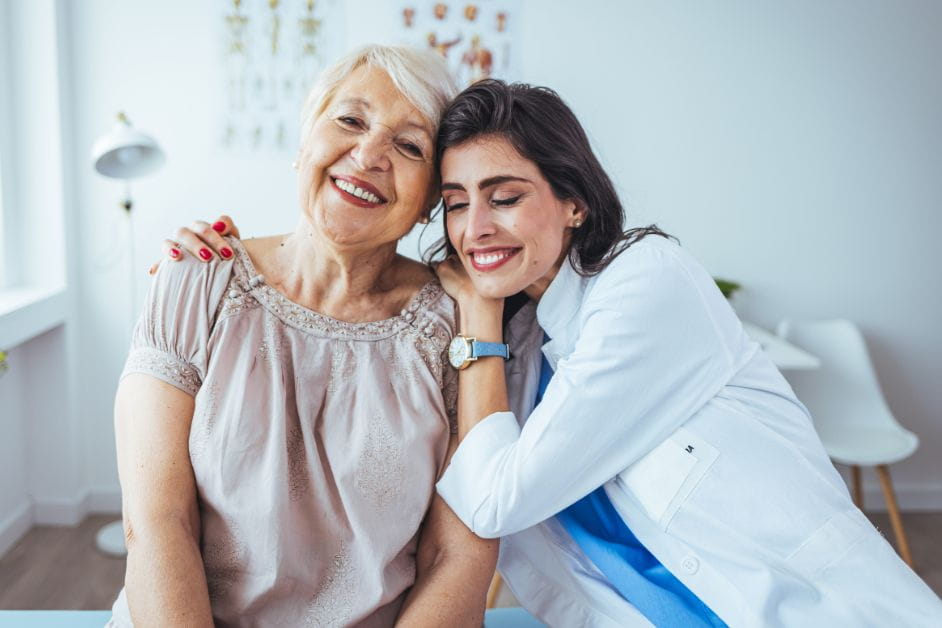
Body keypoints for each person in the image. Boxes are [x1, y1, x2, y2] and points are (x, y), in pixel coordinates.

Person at [171, 80, 942, 626]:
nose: (475, 227)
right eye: (457, 203)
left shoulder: (645, 283)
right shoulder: (519, 340)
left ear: (573, 201)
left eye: (504, 196)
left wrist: (475, 316)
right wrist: (231, 254)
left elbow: (497, 498)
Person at [107, 45, 497, 627]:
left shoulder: (457, 327)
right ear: (304, 142)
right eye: (350, 120)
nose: (368, 154)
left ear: (428, 204)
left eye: (409, 145)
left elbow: (459, 555)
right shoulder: (196, 276)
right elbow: (157, 521)